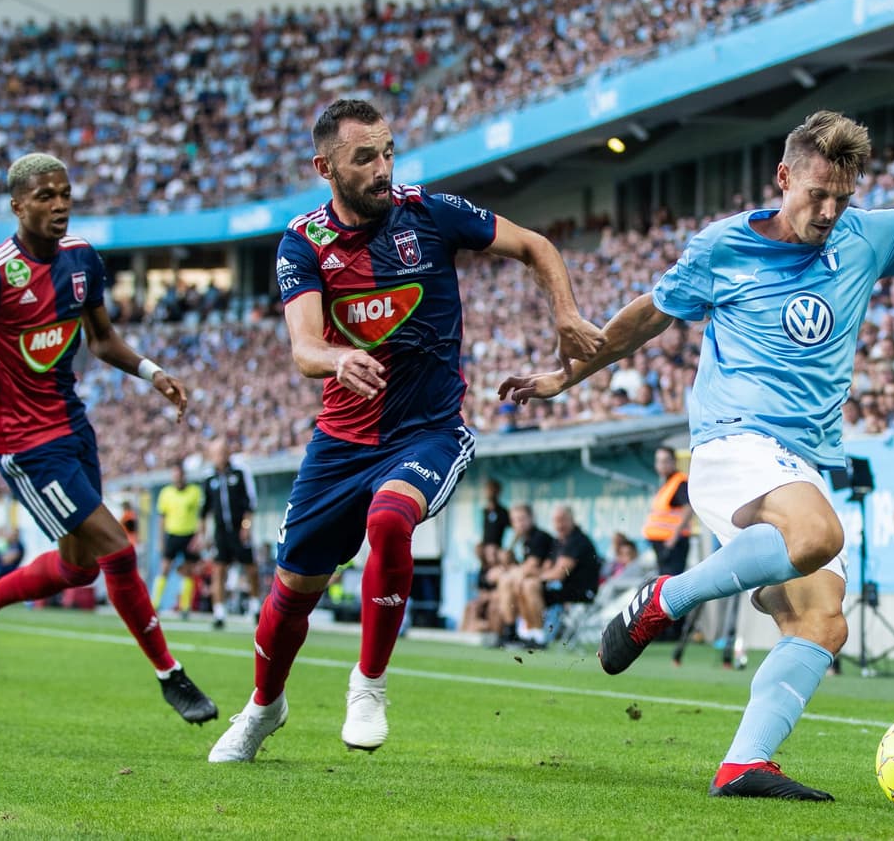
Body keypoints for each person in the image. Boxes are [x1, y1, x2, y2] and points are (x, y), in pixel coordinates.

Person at [500, 110, 894, 799]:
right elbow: (645, 317)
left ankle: (744, 763)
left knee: (823, 620)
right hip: (732, 443)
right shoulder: (723, 247)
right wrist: (565, 378)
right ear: (784, 177)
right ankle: (661, 600)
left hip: (803, 460)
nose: (829, 211)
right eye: (816, 195)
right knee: (818, 535)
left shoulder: (869, 236)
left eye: (842, 198)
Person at [208, 99, 603, 762]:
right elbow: (305, 348)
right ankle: (263, 708)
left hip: (429, 431)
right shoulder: (303, 242)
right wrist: (338, 357)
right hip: (339, 445)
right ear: (325, 167)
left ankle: (369, 684)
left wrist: (563, 314)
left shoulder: (433, 214)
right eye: (365, 157)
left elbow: (536, 246)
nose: (383, 167)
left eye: (389, 150)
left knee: (390, 522)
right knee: (290, 594)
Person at [0, 152, 216, 723]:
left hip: (74, 427)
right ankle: (170, 675)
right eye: (45, 197)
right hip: (26, 446)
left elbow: (100, 340)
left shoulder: (82, 260)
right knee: (116, 549)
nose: (58, 205)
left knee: (78, 568)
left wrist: (153, 373)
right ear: (17, 205)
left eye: (65, 194)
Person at [513, 504, 601, 648]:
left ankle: (540, 637)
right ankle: (529, 634)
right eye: (556, 521)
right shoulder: (558, 541)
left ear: (571, 519)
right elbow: (546, 568)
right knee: (523, 584)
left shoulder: (577, 540)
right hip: (565, 590)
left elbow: (559, 573)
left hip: (581, 592)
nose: (559, 525)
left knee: (531, 586)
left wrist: (537, 576)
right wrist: (533, 575)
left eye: (563, 520)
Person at [198, 438, 260, 629]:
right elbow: (204, 509)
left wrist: (246, 526)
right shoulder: (209, 478)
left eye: (223, 452)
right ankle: (219, 613)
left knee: (251, 569)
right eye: (217, 453)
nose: (221, 456)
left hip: (239, 529)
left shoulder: (240, 472)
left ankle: (255, 607)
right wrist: (203, 535)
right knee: (219, 570)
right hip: (221, 532)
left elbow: (250, 503)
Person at [491, 503, 556, 645]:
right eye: (515, 520)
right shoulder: (521, 540)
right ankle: (510, 631)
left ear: (531, 518)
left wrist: (507, 572)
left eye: (522, 519)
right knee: (505, 581)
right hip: (530, 582)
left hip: (552, 585)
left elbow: (531, 567)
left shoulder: (539, 537)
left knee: (520, 583)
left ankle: (538, 636)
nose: (518, 524)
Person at [152, 461, 204, 617]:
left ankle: (185, 607)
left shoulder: (195, 492)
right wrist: (160, 540)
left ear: (184, 476)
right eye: (175, 475)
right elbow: (162, 518)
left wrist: (199, 535)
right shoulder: (166, 493)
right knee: (165, 569)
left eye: (180, 475)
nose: (178, 478)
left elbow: (201, 516)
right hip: (172, 534)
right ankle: (155, 603)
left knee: (188, 571)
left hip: (189, 534)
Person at [642, 446, 693, 576]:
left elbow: (688, 509)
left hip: (672, 543)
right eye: (658, 461)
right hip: (663, 542)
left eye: (665, 461)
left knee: (669, 581)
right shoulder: (667, 483)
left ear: (674, 462)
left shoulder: (680, 482)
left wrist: (673, 538)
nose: (661, 465)